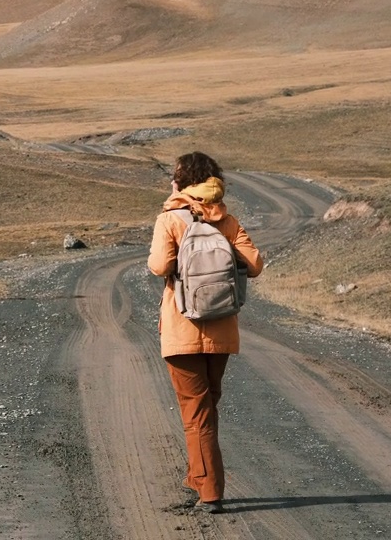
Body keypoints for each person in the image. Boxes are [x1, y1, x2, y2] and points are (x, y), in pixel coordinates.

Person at [147, 151, 263, 514]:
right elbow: (255, 264)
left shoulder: (171, 218)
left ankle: (210, 492)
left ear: (181, 181)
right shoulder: (226, 218)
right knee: (207, 408)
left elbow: (158, 266)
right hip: (222, 329)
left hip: (182, 328)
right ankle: (197, 477)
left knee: (196, 413)